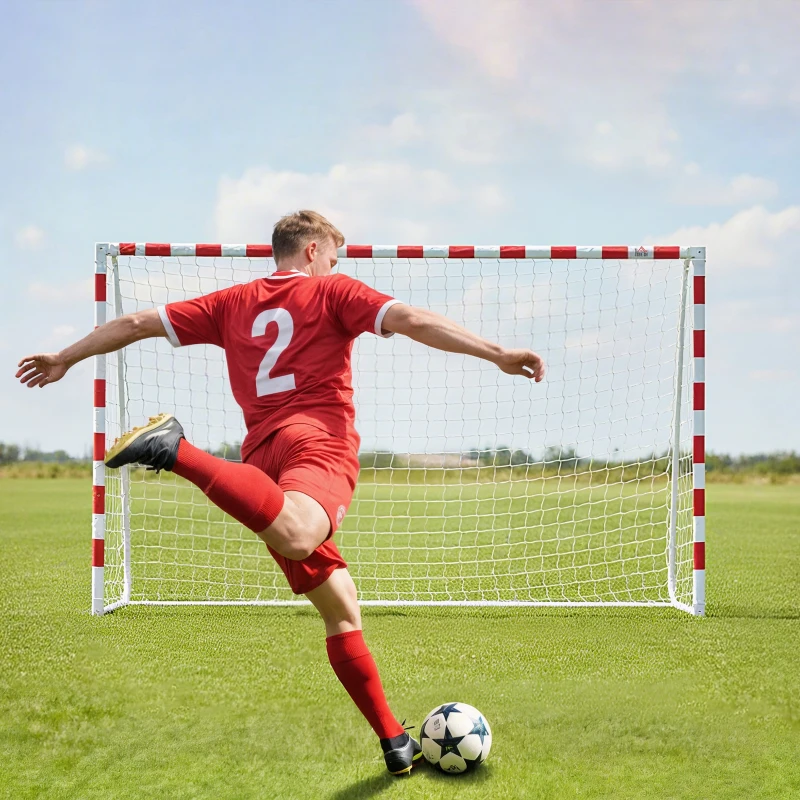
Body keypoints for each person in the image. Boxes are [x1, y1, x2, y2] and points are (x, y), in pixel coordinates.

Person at [16, 210, 545, 775]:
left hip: (261, 462)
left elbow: (139, 322)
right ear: (314, 250)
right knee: (298, 534)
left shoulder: (231, 301)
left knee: (341, 607)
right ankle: (176, 449)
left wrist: (65, 357)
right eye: (334, 258)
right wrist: (498, 353)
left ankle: (393, 739)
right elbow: (411, 318)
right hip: (316, 440)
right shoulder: (332, 290)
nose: (335, 268)